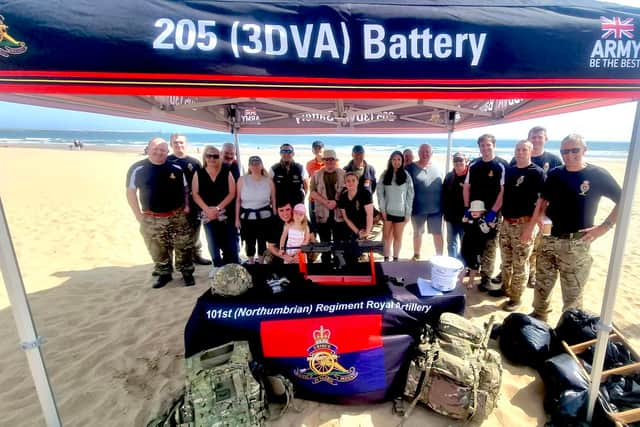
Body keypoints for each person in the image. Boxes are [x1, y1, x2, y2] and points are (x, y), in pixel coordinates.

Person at [523, 134, 621, 322]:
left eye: (574, 150)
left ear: (584, 150)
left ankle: (570, 328)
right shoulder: (555, 174)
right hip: (549, 239)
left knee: (573, 293)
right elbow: (542, 201)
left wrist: (603, 227)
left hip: (576, 243)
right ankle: (538, 318)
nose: (569, 155)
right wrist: (537, 221)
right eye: (564, 151)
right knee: (542, 285)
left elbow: (623, 200)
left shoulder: (597, 174)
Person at [126, 137, 195, 288]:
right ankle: (164, 274)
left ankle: (187, 273)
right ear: (148, 149)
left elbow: (185, 189)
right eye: (155, 149)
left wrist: (187, 206)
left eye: (163, 150)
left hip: (177, 216)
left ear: (167, 151)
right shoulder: (137, 168)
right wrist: (138, 215)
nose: (159, 152)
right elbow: (131, 193)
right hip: (152, 218)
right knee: (157, 249)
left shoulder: (176, 169)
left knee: (184, 246)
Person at [510, 126, 564, 288]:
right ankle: (512, 272)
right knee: (520, 246)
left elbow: (557, 188)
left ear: (546, 139)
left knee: (536, 246)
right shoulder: (517, 159)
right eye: (533, 137)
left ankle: (531, 274)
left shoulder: (553, 160)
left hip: (543, 212)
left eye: (540, 137)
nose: (537, 139)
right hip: (520, 213)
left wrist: (545, 213)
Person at [497, 140, 545, 311]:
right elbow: (504, 194)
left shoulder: (537, 173)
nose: (520, 152)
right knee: (505, 261)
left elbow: (542, 202)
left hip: (524, 225)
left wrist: (531, 228)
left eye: (524, 149)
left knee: (520, 263)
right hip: (507, 223)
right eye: (518, 149)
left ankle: (515, 298)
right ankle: (505, 288)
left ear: (530, 151)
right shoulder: (509, 170)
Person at [463, 134, 507, 291]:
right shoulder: (474, 164)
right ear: (479, 147)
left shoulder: (501, 165)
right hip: (474, 212)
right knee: (472, 242)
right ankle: (472, 268)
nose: (485, 148)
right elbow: (466, 187)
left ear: (493, 145)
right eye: (482, 145)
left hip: (492, 212)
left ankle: (485, 277)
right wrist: (467, 208)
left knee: (489, 244)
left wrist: (493, 212)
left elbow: (504, 190)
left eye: (488, 145)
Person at [192, 145, 239, 273]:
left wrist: (218, 208)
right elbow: (195, 194)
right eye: (209, 155)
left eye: (215, 156)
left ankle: (233, 266)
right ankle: (217, 267)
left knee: (230, 243)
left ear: (219, 157)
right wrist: (207, 210)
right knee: (212, 242)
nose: (212, 158)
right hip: (207, 214)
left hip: (225, 213)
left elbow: (232, 193)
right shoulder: (199, 173)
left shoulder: (226, 172)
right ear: (205, 157)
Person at [168, 133, 211, 266]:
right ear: (171, 144)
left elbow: (203, 183)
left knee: (195, 231)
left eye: (181, 142)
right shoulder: (166, 161)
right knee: (174, 235)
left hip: (193, 204)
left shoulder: (194, 162)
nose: (178, 145)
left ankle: (196, 255)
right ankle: (172, 262)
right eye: (175, 142)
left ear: (186, 144)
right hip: (173, 205)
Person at [235, 155, 275, 264]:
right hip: (247, 217)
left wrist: (275, 216)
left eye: (257, 164)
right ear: (249, 166)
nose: (255, 166)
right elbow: (238, 200)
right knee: (249, 241)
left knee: (262, 241)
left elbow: (273, 200)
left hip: (265, 216)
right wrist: (237, 219)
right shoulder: (242, 179)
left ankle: (261, 262)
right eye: (252, 164)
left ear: (262, 165)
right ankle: (251, 262)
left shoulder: (268, 181)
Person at [407, 143, 444, 259]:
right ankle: (417, 254)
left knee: (437, 233)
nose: (425, 154)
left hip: (436, 209)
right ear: (418, 153)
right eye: (422, 151)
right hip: (417, 208)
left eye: (427, 151)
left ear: (432, 153)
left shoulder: (437, 166)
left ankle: (439, 256)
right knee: (417, 233)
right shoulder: (410, 168)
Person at [310, 149, 346, 263]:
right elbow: (312, 192)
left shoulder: (343, 173)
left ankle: (337, 262)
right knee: (324, 240)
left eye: (332, 160)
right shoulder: (317, 175)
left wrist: (336, 202)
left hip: (338, 213)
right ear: (324, 161)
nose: (330, 162)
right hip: (322, 213)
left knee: (338, 240)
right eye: (327, 160)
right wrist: (326, 202)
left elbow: (347, 191)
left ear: (335, 161)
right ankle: (325, 263)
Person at [377, 151, 414, 261]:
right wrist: (382, 209)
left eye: (399, 159)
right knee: (386, 237)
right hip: (387, 212)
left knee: (398, 238)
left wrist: (408, 213)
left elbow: (410, 195)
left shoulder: (406, 175)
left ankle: (395, 259)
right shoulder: (385, 174)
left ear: (402, 161)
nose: (396, 162)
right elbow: (380, 193)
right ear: (390, 161)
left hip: (401, 213)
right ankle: (386, 258)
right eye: (394, 159)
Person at [461, 200, 497, 289]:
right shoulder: (469, 220)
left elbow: (489, 235)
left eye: (477, 211)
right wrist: (464, 222)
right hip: (466, 247)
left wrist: (492, 228)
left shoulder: (483, 223)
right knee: (464, 263)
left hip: (476, 249)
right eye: (472, 211)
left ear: (482, 212)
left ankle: (471, 281)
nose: (474, 213)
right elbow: (465, 230)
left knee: (474, 266)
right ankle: (460, 279)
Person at [442, 152, 468, 259]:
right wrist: (444, 212)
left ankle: (463, 265)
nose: (458, 163)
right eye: (455, 161)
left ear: (466, 161)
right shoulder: (449, 176)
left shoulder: (470, 176)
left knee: (465, 243)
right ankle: (453, 265)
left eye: (461, 160)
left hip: (465, 217)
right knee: (451, 243)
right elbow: (443, 196)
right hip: (450, 217)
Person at [339, 171, 374, 240]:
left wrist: (367, 232)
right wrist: (358, 232)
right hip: (355, 224)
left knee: (366, 244)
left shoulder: (365, 194)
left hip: (372, 222)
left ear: (358, 182)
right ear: (345, 184)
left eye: (353, 180)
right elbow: (346, 218)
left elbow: (369, 215)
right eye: (348, 181)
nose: (351, 183)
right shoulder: (343, 197)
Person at [306, 140, 325, 235]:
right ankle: (316, 248)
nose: (318, 150)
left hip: (326, 200)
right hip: (313, 199)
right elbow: (307, 180)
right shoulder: (309, 164)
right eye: (315, 148)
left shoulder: (330, 162)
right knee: (314, 226)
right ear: (313, 150)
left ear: (323, 149)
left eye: (319, 148)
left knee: (325, 226)